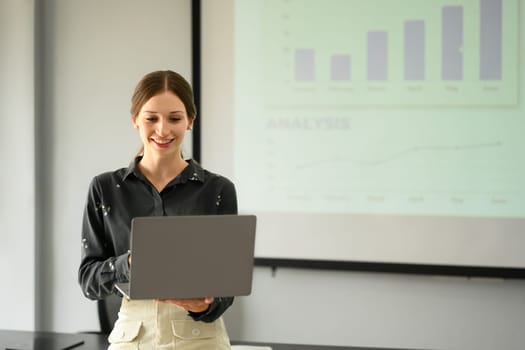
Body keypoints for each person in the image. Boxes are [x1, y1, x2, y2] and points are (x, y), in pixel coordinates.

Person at [78, 70, 237, 349]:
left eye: (174, 118)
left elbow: (226, 288)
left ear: (190, 121)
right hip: (132, 336)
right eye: (151, 118)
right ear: (135, 121)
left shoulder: (218, 190)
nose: (163, 130)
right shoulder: (104, 188)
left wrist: (202, 307)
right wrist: (128, 264)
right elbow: (89, 281)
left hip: (200, 337)